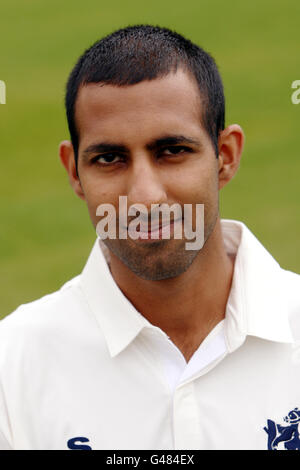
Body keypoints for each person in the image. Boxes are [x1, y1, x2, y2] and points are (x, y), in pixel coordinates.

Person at [1, 25, 300, 451]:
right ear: (74, 172)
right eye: (109, 158)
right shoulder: (11, 369)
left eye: (172, 151)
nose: (143, 197)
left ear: (226, 156)